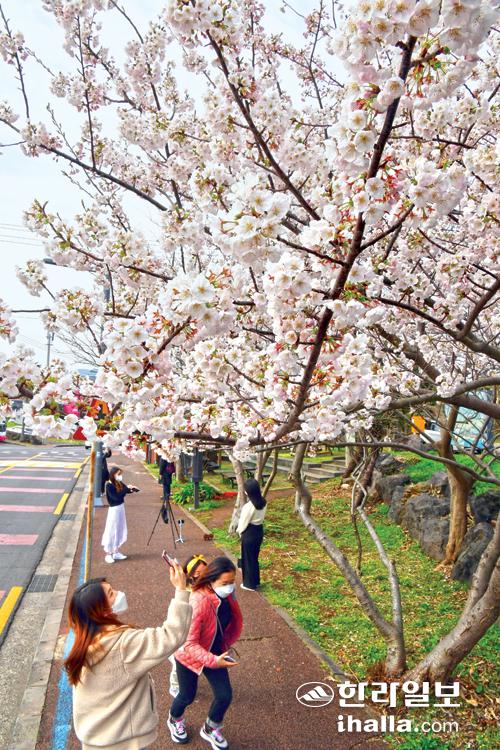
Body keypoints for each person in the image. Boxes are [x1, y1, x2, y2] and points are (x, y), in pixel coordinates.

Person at [64, 562, 192, 750]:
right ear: (102, 610)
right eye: (111, 594)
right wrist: (181, 590)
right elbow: (172, 635)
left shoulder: (85, 639)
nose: (119, 593)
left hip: (96, 739)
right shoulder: (123, 644)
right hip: (123, 740)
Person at [167, 556, 243, 749]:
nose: (230, 587)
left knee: (224, 695)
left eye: (232, 581)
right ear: (211, 580)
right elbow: (189, 644)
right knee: (187, 696)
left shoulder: (225, 595)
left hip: (215, 652)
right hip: (189, 656)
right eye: (225, 583)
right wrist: (214, 661)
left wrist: (222, 647)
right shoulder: (198, 602)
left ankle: (210, 728)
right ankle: (174, 719)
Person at [168, 553, 208, 698]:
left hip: (198, 632)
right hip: (183, 633)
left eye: (204, 572)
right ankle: (175, 685)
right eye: (197, 573)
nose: (201, 575)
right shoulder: (185, 590)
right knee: (178, 664)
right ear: (189, 575)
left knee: (193, 661)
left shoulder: (207, 586)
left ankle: (186, 682)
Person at [102, 466, 139, 564]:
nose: (120, 476)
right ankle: (108, 553)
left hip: (120, 508)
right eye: (118, 474)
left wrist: (131, 489)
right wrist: (126, 489)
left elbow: (124, 491)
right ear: (113, 474)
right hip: (114, 510)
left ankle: (115, 551)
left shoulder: (118, 482)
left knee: (119, 529)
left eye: (120, 474)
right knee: (111, 530)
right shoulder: (109, 485)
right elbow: (116, 497)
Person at [236, 478, 267, 591]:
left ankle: (249, 584)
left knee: (248, 559)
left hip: (249, 532)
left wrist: (240, 532)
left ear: (247, 492)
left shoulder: (248, 507)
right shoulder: (263, 502)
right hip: (259, 531)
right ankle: (256, 581)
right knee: (254, 558)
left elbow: (243, 523)